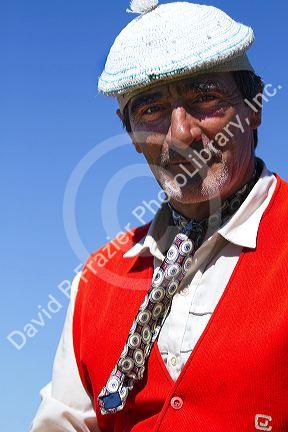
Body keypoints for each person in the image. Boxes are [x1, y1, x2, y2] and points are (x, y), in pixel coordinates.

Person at [30, 1, 288, 431]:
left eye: (205, 98)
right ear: (129, 131)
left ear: (253, 106)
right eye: (151, 110)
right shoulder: (96, 281)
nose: (181, 133)